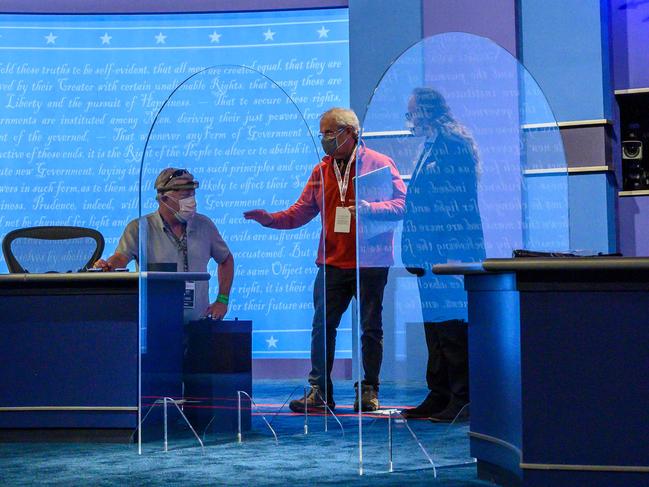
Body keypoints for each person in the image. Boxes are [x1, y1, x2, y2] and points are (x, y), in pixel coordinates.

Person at [244, 107, 406, 412]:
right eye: (323, 133)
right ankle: (320, 390)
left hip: (370, 262)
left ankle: (368, 390)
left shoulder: (380, 165)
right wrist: (271, 220)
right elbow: (300, 212)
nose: (324, 139)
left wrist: (372, 208)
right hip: (331, 262)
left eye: (330, 132)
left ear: (351, 133)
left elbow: (401, 204)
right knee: (322, 327)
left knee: (370, 327)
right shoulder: (321, 171)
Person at [400, 88, 485, 422]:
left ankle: (462, 396)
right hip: (429, 253)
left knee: (450, 326)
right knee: (435, 327)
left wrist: (434, 246)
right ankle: (440, 392)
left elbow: (452, 206)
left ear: (426, 111)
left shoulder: (452, 146)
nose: (409, 122)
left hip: (449, 252)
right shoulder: (431, 145)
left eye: (411, 114)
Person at [94, 167, 234, 322]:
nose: (191, 201)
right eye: (184, 196)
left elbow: (226, 260)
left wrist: (222, 300)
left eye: (192, 194)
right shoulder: (140, 228)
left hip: (198, 325)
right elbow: (121, 257)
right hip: (155, 326)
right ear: (164, 198)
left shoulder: (204, 225)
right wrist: (108, 265)